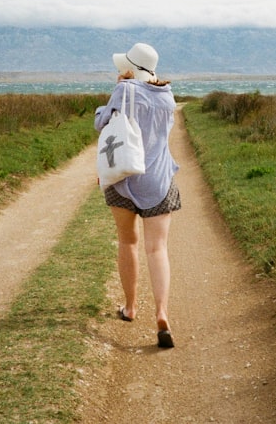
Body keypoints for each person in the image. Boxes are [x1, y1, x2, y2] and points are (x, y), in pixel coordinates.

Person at [94, 42, 180, 349]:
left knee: (128, 241)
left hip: (123, 179)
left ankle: (130, 308)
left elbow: (101, 124)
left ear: (129, 68)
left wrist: (114, 95)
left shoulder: (124, 90)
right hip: (158, 181)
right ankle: (162, 313)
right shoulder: (167, 97)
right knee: (157, 249)